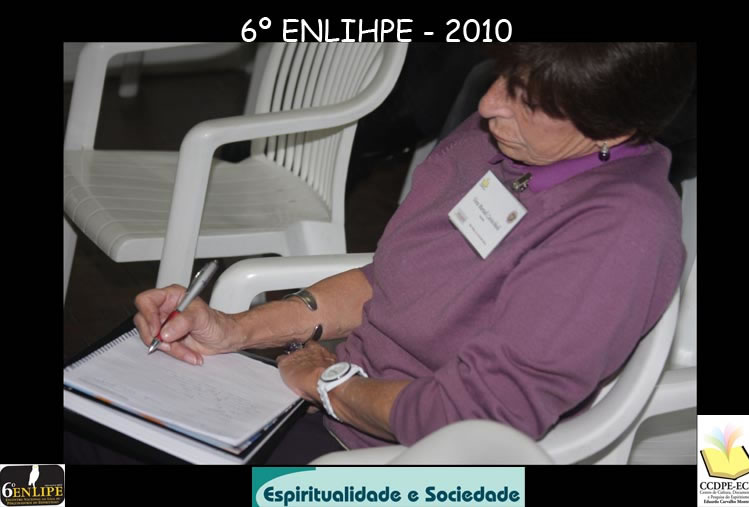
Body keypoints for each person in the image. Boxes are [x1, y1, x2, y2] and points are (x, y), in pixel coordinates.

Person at [82, 43, 698, 464]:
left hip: (386, 464)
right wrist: (236, 328)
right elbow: (393, 279)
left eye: (528, 101)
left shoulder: (619, 236)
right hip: (315, 403)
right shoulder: (500, 142)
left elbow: (472, 419)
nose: (489, 104)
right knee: (81, 418)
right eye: (505, 76)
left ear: (610, 128)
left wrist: (326, 382)